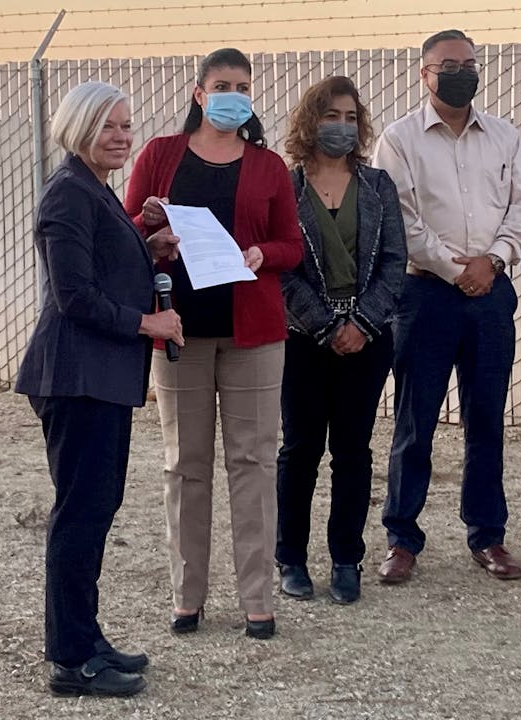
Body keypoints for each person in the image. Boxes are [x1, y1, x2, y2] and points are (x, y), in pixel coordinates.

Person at [124, 48, 303, 639]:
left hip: (252, 332)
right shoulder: (159, 155)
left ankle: (257, 599)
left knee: (252, 462)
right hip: (181, 330)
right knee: (184, 464)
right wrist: (153, 231)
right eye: (222, 84)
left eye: (243, 85)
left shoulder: (269, 165)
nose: (233, 94)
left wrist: (262, 254)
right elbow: (127, 231)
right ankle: (187, 596)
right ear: (199, 93)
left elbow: (291, 245)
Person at [14, 81, 184, 697]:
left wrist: (147, 244)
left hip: (102, 380)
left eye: (127, 124)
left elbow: (101, 264)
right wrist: (150, 321)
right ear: (79, 126)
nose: (122, 136)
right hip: (76, 378)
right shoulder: (68, 195)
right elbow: (74, 295)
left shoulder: (94, 190)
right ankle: (70, 660)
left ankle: (86, 638)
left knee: (95, 510)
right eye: (109, 125)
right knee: (80, 516)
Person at [372, 29, 521, 584]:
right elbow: (399, 217)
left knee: (486, 419)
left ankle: (488, 536)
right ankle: (402, 539)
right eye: (448, 64)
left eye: (469, 63)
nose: (461, 72)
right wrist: (453, 268)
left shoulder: (505, 137)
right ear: (425, 74)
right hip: (424, 295)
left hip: (490, 293)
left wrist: (490, 262)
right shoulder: (399, 140)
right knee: (416, 421)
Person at [276, 76, 407, 604]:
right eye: (331, 116)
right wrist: (326, 326)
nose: (343, 127)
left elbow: (396, 264)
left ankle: (346, 558)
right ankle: (291, 559)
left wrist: (362, 325)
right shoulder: (285, 188)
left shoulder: (378, 186)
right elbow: (281, 270)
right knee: (300, 448)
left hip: (368, 339)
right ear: (311, 122)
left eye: (351, 118)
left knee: (353, 450)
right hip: (302, 340)